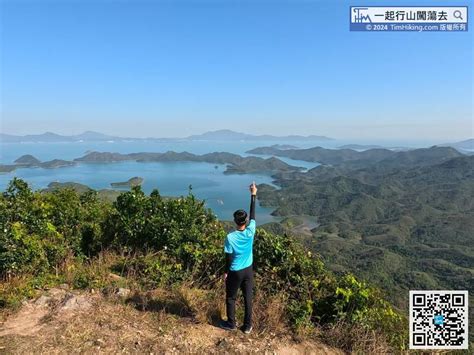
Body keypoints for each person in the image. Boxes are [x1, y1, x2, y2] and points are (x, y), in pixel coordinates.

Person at [220, 181, 257, 334]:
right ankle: (247, 326)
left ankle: (231, 324)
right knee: (248, 298)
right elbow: (253, 213)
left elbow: (228, 258)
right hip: (248, 269)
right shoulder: (251, 231)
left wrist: (226, 272)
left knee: (231, 298)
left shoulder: (230, 237)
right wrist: (253, 194)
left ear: (235, 221)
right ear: (246, 221)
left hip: (235, 271)